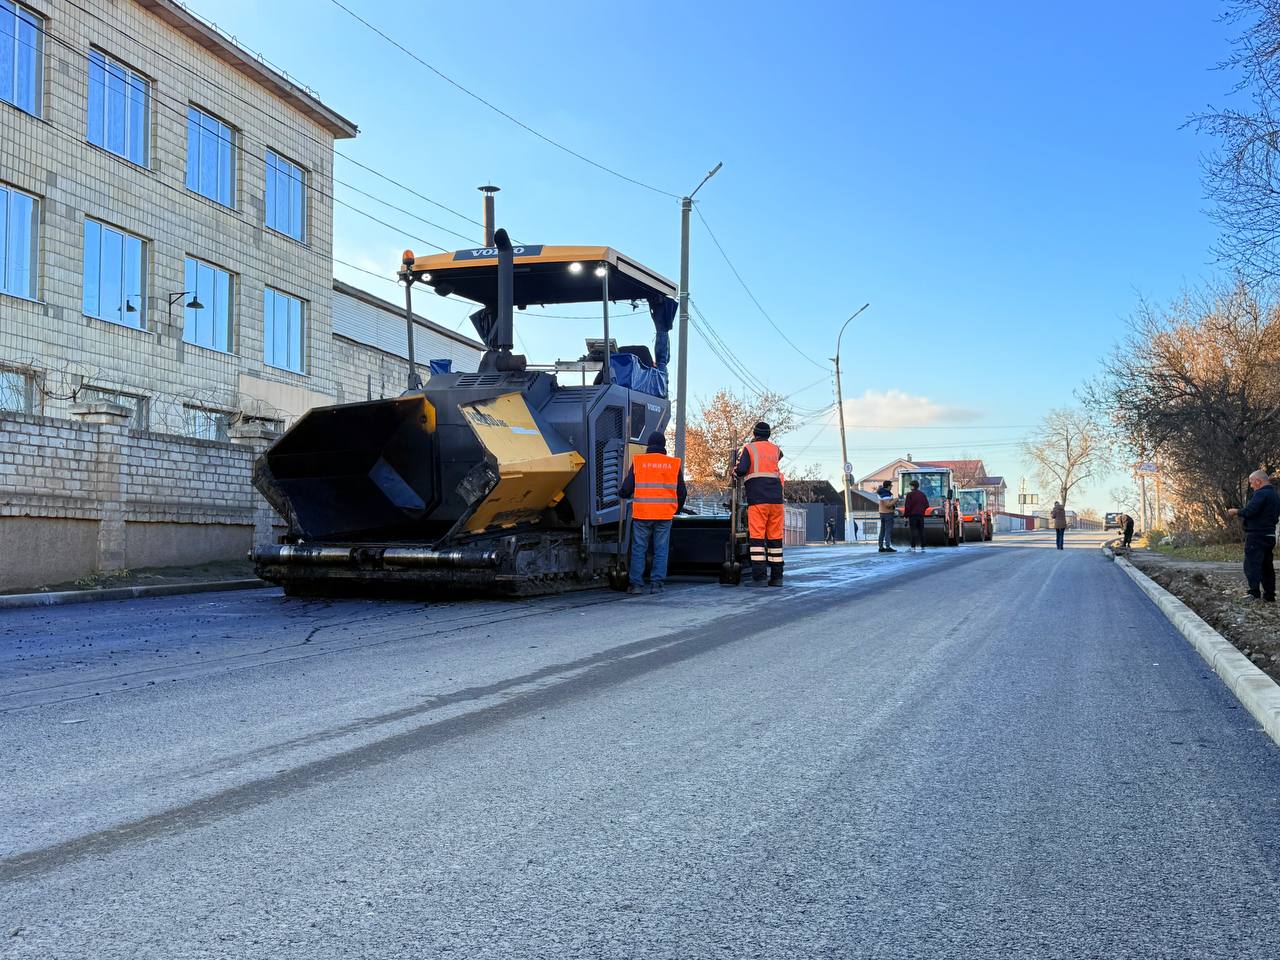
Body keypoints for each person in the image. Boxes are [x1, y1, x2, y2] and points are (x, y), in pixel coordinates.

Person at [619, 430, 686, 596]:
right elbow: (682, 492)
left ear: (648, 445)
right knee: (661, 549)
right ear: (664, 446)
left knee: (639, 549)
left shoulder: (639, 462)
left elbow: (627, 488)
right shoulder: (673, 464)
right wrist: (675, 509)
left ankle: (636, 585)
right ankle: (657, 584)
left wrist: (622, 493)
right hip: (664, 515)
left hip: (642, 514)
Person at [734, 421, 785, 586]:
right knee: (775, 539)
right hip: (777, 500)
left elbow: (741, 470)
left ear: (755, 434)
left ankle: (760, 578)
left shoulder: (750, 448)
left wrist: (733, 471)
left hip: (758, 499)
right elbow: (778, 457)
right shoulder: (776, 449)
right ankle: (777, 577)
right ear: (768, 435)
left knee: (757, 539)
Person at [1228, 469, 1279, 603]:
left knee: (1252, 565)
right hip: (1269, 534)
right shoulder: (1274, 495)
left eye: (1251, 483)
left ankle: (1253, 594)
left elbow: (1251, 511)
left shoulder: (1260, 494)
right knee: (1266, 566)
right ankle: (1269, 595)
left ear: (1258, 481)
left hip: (1256, 535)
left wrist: (1236, 512)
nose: (1251, 486)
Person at [903, 480, 929, 553]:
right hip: (921, 515)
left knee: (913, 531)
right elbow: (927, 505)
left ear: (913, 486)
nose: (909, 487)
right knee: (921, 531)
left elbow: (907, 506)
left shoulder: (909, 495)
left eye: (910, 485)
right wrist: (922, 510)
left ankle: (913, 547)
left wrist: (905, 516)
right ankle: (923, 547)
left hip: (912, 516)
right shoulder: (922, 494)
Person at [876, 480, 898, 553]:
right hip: (888, 514)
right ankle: (888, 546)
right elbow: (888, 505)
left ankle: (881, 547)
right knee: (887, 531)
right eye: (891, 485)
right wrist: (895, 500)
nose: (891, 486)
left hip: (882, 513)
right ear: (888, 486)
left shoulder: (881, 492)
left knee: (882, 531)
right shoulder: (886, 494)